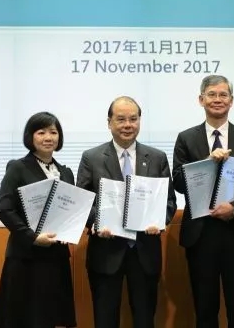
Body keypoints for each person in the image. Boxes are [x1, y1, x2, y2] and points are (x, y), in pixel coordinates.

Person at [172, 74, 234, 328]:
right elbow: (179, 183)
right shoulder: (186, 138)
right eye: (212, 95)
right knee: (204, 310)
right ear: (201, 99)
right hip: (201, 235)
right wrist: (207, 163)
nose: (217, 99)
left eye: (223, 95)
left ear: (231, 100)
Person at [76, 96, 177, 328]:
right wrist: (97, 223)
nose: (127, 125)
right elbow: (83, 201)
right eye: (121, 119)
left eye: (133, 119)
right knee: (105, 320)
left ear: (140, 121)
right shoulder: (91, 158)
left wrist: (159, 221)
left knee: (145, 319)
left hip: (144, 251)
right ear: (109, 122)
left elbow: (169, 201)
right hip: (105, 252)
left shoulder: (157, 157)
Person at [0, 112, 76, 328]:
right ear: (30, 136)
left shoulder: (66, 172)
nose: (48, 137)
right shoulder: (17, 167)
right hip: (26, 257)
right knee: (25, 318)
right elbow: (5, 210)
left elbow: (71, 211)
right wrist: (33, 237)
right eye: (41, 132)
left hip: (56, 257)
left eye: (53, 132)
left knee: (51, 318)